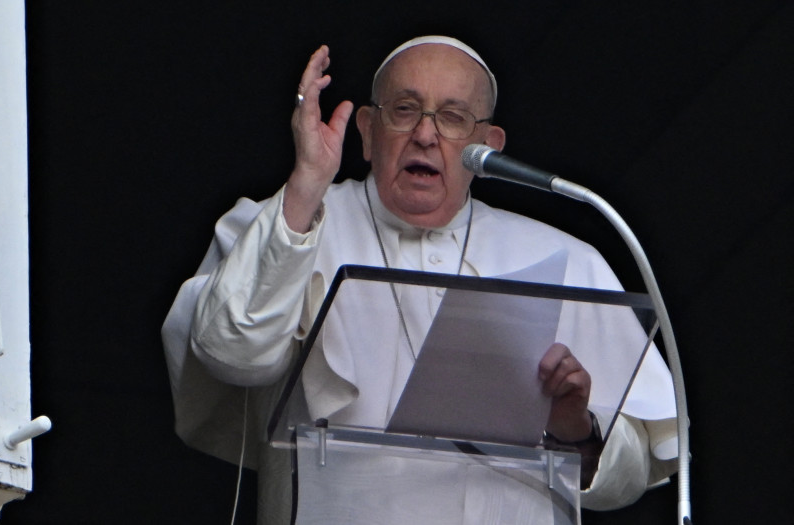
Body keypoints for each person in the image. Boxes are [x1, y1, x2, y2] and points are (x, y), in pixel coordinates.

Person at [161, 36, 678, 524]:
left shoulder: (565, 258)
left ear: (488, 145)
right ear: (366, 130)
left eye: (453, 117)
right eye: (405, 110)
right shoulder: (291, 222)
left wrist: (579, 434)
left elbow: (635, 472)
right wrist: (305, 186)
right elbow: (230, 352)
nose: (426, 134)